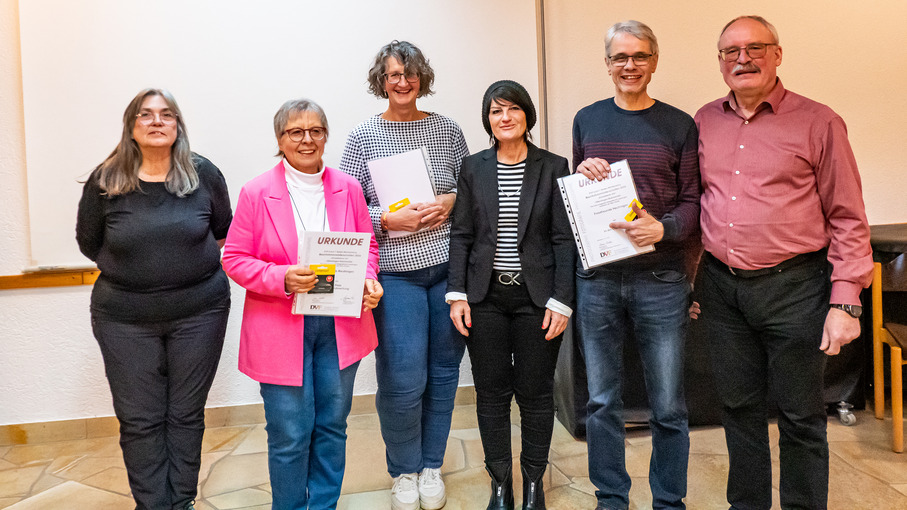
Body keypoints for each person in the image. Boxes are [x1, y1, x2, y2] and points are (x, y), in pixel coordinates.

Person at [694, 15, 873, 509]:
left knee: (800, 416)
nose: (742, 59)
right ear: (720, 62)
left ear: (777, 54)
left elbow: (848, 216)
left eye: (755, 48)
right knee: (737, 409)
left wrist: (846, 302)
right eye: (730, 51)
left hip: (796, 288)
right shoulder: (703, 121)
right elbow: (693, 205)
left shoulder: (819, 122)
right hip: (722, 290)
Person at [222, 98, 383, 510]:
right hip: (281, 325)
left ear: (326, 136)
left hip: (341, 324)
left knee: (332, 425)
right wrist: (281, 278)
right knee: (291, 432)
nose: (307, 139)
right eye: (296, 131)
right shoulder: (257, 192)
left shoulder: (348, 187)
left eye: (316, 131)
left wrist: (369, 280)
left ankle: (323, 505)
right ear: (280, 139)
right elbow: (234, 258)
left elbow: (368, 248)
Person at [76, 88, 232, 510]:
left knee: (185, 415)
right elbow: (88, 243)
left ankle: (180, 503)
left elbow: (223, 231)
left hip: (200, 312)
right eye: (145, 115)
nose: (157, 121)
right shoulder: (105, 181)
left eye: (166, 114)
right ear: (131, 127)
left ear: (178, 125)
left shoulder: (204, 175)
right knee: (140, 420)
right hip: (123, 318)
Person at [572, 20, 701, 510]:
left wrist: (663, 229)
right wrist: (581, 174)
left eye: (639, 56)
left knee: (668, 405)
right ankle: (611, 499)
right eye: (620, 57)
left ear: (654, 60)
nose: (630, 65)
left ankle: (669, 501)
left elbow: (693, 202)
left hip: (662, 279)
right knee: (602, 401)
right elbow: (579, 203)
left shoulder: (679, 124)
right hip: (599, 280)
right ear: (607, 65)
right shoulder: (587, 119)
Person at [339, 40, 468, 510]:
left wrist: (449, 202)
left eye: (410, 74)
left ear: (421, 78)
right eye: (393, 74)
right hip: (395, 276)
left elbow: (468, 191)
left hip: (446, 270)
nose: (402, 82)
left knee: (443, 374)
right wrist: (386, 221)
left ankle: (431, 465)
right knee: (402, 378)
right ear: (382, 80)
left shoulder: (447, 130)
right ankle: (404, 470)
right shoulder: (362, 137)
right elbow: (345, 209)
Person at [447, 80, 575, 510]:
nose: (505, 117)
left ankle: (534, 483)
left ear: (527, 116)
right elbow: (462, 234)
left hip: (537, 299)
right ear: (487, 119)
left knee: (537, 393)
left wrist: (562, 299)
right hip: (483, 299)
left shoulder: (554, 166)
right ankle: (500, 484)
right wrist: (457, 293)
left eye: (513, 109)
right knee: (491, 393)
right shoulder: (473, 167)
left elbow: (563, 239)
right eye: (496, 111)